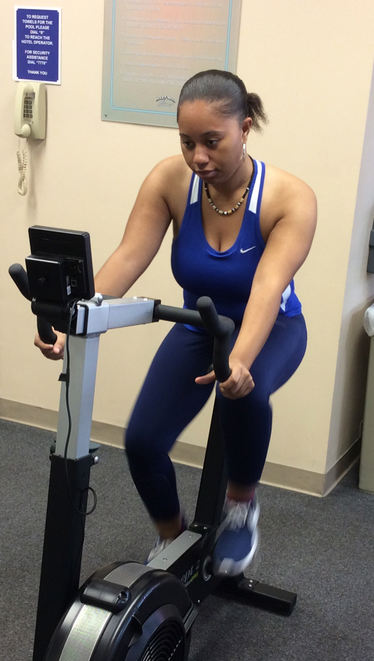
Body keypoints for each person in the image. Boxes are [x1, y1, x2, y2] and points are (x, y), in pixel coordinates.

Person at [34, 70, 316, 576]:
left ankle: (241, 506)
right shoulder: (169, 181)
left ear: (244, 129)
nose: (198, 157)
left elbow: (267, 289)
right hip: (198, 326)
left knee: (244, 395)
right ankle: (172, 535)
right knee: (142, 441)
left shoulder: (289, 198)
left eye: (212, 141)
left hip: (273, 328)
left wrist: (239, 361)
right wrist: (73, 317)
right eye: (187, 142)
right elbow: (128, 258)